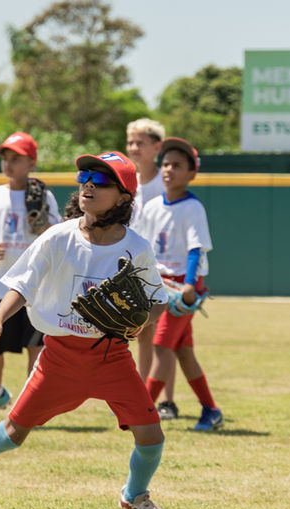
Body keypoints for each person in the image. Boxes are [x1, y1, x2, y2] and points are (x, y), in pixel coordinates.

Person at [0, 151, 172, 509]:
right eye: (84, 178)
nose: (88, 186)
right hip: (61, 358)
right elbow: (22, 282)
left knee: (151, 436)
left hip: (112, 357)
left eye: (100, 181)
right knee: (13, 432)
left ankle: (135, 497)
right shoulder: (60, 236)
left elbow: (157, 302)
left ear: (124, 197)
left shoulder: (136, 247)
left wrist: (139, 324)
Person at [0, 132, 61, 424]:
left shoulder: (43, 196)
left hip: (36, 286)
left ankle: (28, 403)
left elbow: (57, 235)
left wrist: (42, 221)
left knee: (36, 346)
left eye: (16, 159)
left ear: (31, 162)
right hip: (1, 281)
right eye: (5, 159)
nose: (8, 164)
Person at [138, 137, 223, 431]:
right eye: (165, 164)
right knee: (183, 352)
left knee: (161, 346)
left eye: (178, 165)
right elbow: (144, 248)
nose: (169, 169)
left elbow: (195, 249)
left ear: (191, 173)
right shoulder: (151, 207)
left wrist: (189, 285)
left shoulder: (192, 207)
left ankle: (142, 410)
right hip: (159, 283)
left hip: (182, 286)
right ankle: (211, 410)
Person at [125, 118, 178, 420]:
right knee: (142, 334)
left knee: (164, 340)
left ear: (157, 147)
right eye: (130, 142)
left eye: (140, 143)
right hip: (133, 270)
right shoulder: (127, 183)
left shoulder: (165, 183)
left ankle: (165, 401)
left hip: (163, 270)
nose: (134, 148)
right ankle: (143, 395)